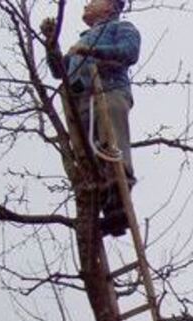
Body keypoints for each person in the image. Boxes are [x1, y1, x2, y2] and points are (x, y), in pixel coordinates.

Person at [41, 0, 141, 237]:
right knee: (89, 157)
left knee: (111, 143)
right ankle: (105, 207)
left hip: (108, 92)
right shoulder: (81, 40)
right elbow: (59, 71)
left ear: (110, 7)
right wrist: (51, 44)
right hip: (81, 103)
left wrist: (93, 52)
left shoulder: (122, 28)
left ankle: (119, 201)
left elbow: (129, 53)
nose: (87, 3)